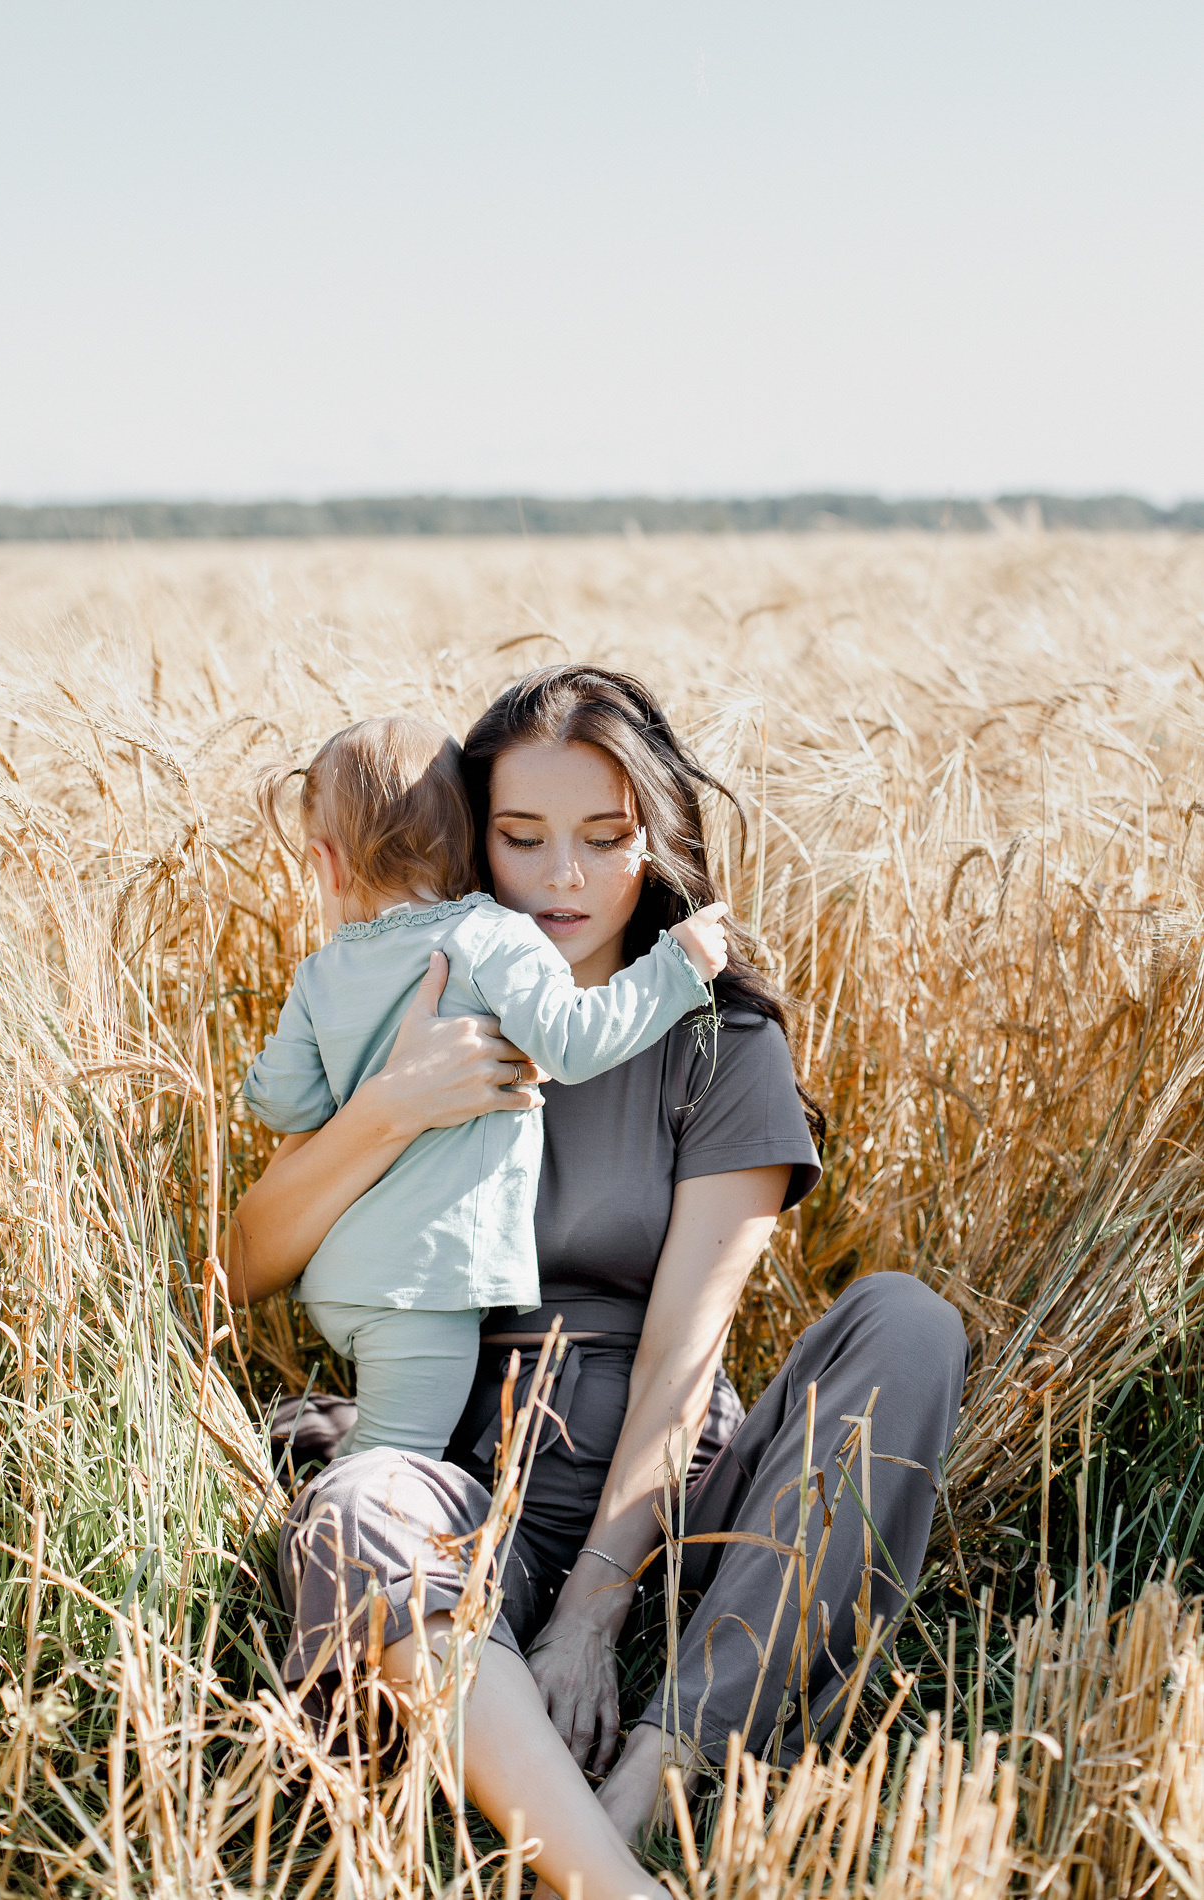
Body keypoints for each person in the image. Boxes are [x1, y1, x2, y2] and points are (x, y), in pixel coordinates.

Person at [226, 668, 970, 1900]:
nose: (562, 878)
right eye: (521, 840)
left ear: (655, 842)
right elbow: (247, 1261)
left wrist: (592, 1611)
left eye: (604, 838)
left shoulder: (717, 1048)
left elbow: (685, 1351)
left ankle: (652, 1766)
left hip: (675, 1506)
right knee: (360, 1503)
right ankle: (608, 1878)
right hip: (476, 1494)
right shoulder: (427, 1001)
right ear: (469, 842)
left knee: (907, 1322)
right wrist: (392, 1105)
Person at [244, 712, 728, 1461]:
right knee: (394, 1467)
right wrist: (675, 969)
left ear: (326, 865)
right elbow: (569, 1045)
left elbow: (286, 1104)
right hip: (424, 1289)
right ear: (476, 841)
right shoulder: (489, 935)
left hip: (340, 1280)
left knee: (379, 1451)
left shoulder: (322, 972)